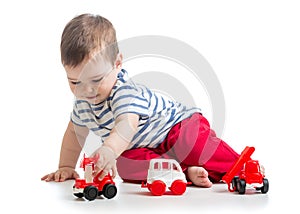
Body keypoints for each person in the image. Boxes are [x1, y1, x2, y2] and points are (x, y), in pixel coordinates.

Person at [41, 13, 240, 187]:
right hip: (145, 148)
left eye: (96, 80)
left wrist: (109, 149)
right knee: (125, 166)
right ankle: (182, 172)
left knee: (194, 145)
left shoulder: (123, 91)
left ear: (117, 63)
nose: (87, 90)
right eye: (75, 82)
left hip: (175, 128)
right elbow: (74, 134)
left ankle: (240, 166)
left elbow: (126, 125)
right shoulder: (82, 103)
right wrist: (66, 166)